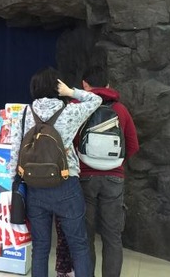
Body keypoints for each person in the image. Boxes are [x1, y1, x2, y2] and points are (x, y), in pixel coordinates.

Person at [8, 67, 102, 277]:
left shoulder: (24, 114)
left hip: (34, 188)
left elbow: (15, 152)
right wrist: (71, 92)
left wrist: (14, 182)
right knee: (79, 245)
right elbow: (96, 99)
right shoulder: (69, 112)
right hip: (66, 186)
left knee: (40, 247)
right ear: (58, 88)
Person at [55, 67, 140, 277]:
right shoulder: (121, 110)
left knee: (86, 235)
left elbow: (69, 140)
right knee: (113, 236)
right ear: (108, 85)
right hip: (114, 178)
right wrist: (115, 164)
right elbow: (133, 145)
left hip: (85, 177)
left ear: (84, 85)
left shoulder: (78, 107)